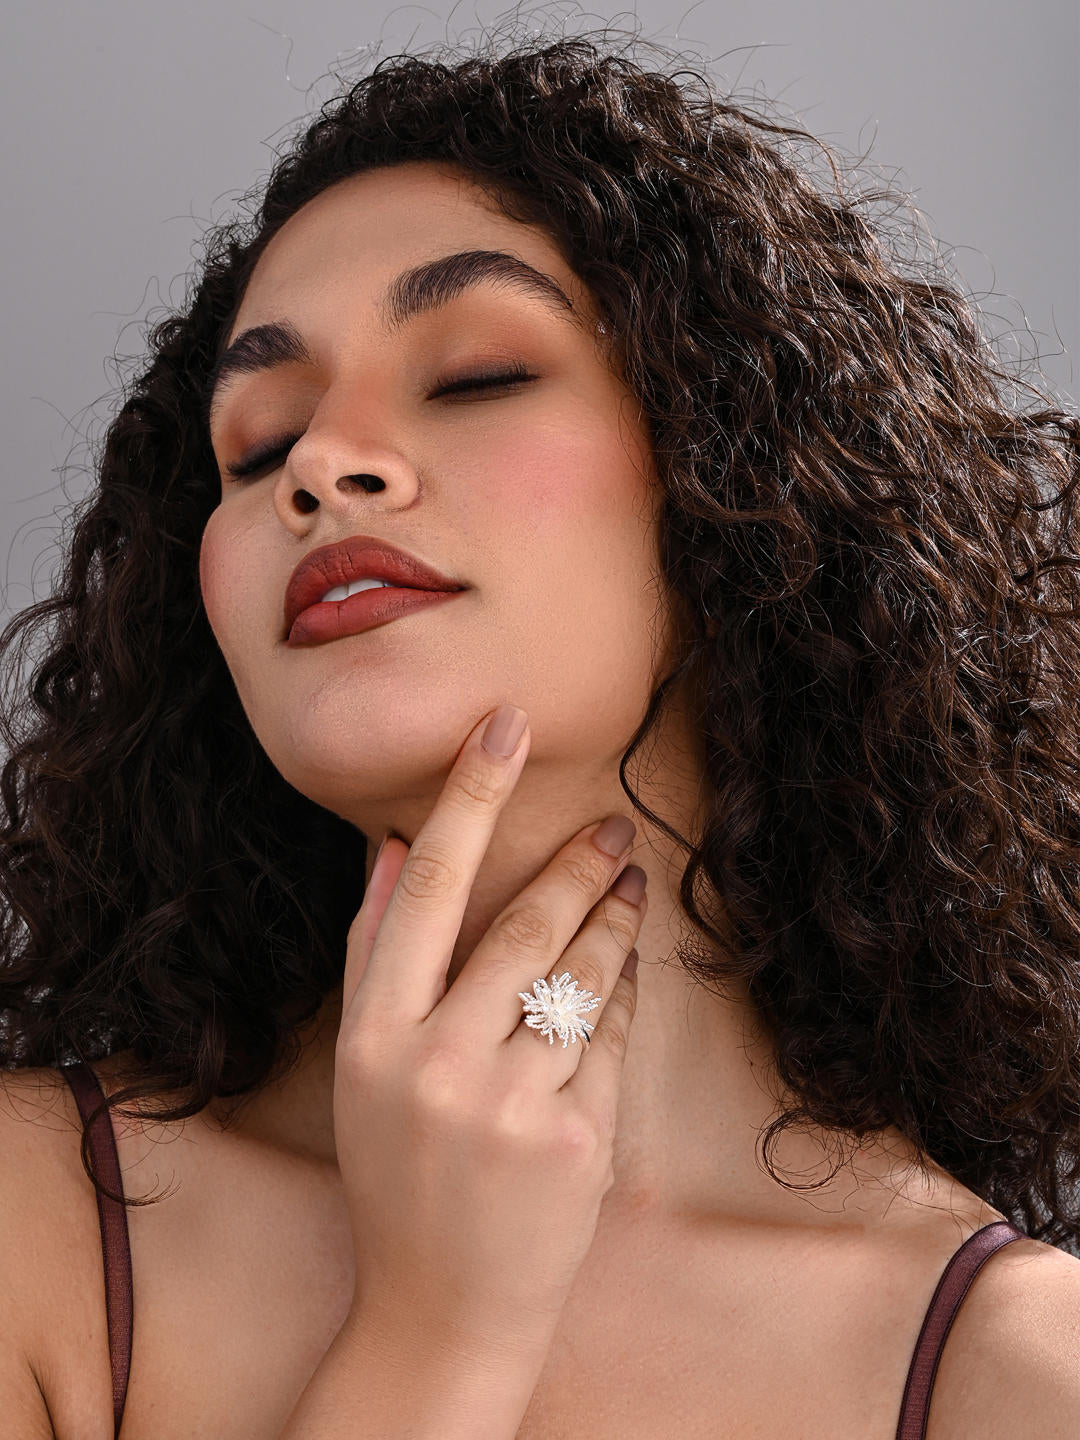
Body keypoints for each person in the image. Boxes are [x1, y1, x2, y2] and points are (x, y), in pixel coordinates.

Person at [1, 24, 1079, 1440]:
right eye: (256, 446)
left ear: (735, 474)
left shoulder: (1021, 1370)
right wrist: (437, 1335)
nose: (318, 465)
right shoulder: (30, 1220)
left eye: (478, 376)